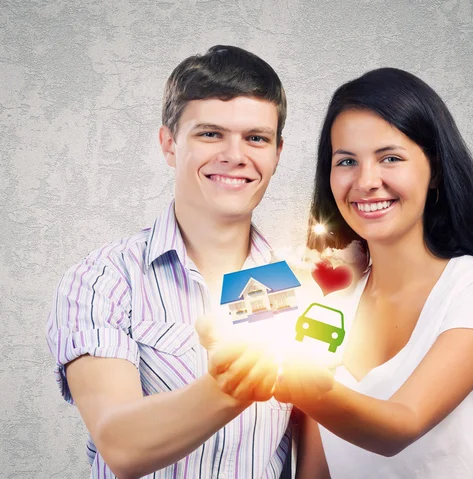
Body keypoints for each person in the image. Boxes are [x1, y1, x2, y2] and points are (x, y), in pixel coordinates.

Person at [204, 67, 473, 478]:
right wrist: (317, 276)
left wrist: (294, 381)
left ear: (434, 170)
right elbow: (214, 319)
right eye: (346, 161)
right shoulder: (332, 305)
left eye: (391, 158)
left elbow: (400, 425)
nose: (366, 182)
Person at [45, 45, 295, 479]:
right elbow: (120, 444)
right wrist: (231, 387)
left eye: (256, 138)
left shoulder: (297, 286)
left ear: (276, 152)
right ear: (168, 144)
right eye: (210, 134)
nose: (236, 155)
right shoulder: (104, 278)